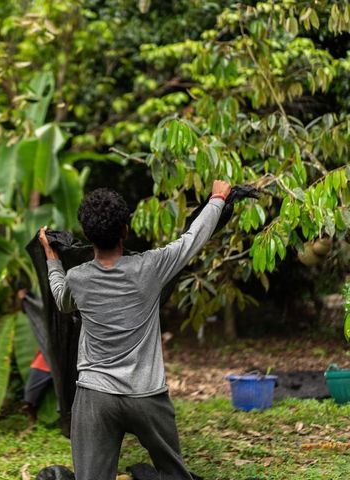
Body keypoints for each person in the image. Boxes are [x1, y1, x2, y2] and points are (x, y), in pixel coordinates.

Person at [38, 180, 231, 480]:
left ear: (88, 236)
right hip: (146, 395)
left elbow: (62, 301)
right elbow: (193, 238)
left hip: (95, 395)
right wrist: (217, 198)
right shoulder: (151, 267)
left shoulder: (77, 278)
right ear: (125, 231)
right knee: (174, 474)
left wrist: (52, 258)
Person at [17, 289, 53, 424]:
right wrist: (26, 299)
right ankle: (33, 420)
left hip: (65, 360)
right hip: (45, 359)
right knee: (30, 394)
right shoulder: (44, 308)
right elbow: (35, 310)